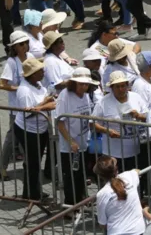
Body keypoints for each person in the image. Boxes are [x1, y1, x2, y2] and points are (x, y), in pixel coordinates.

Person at [14, 58, 56, 201]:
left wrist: (46, 101)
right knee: (33, 163)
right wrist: (45, 106)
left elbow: (36, 105)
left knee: (35, 161)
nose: (43, 73)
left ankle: (33, 191)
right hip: (28, 131)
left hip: (40, 128)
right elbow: (28, 112)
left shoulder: (37, 84)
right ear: (32, 74)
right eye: (40, 71)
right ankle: (32, 194)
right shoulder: (24, 91)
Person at [55, 68, 98, 206]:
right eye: (80, 84)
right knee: (71, 177)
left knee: (81, 175)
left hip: (84, 143)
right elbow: (60, 122)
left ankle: (80, 200)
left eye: (86, 84)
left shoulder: (85, 95)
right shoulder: (65, 96)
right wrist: (71, 141)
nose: (84, 87)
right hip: (69, 147)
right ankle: (70, 206)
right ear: (74, 83)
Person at [92, 71, 148, 170]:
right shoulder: (103, 102)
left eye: (123, 86)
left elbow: (148, 118)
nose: (121, 89)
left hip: (134, 151)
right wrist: (107, 131)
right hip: (112, 153)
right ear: (112, 88)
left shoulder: (136, 98)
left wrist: (139, 116)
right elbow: (92, 124)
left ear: (127, 85)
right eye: (117, 87)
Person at [0, 30, 32, 180]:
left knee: (29, 141)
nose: (25, 46)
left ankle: (29, 166)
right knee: (12, 140)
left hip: (30, 107)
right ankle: (2, 167)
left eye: (26, 43)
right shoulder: (12, 63)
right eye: (21, 44)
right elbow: (1, 84)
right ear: (15, 47)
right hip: (16, 109)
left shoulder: (31, 58)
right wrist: (20, 88)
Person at [95, 155, 147, 235]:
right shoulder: (129, 175)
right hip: (139, 230)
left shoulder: (102, 194)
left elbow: (102, 223)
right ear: (116, 169)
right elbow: (137, 171)